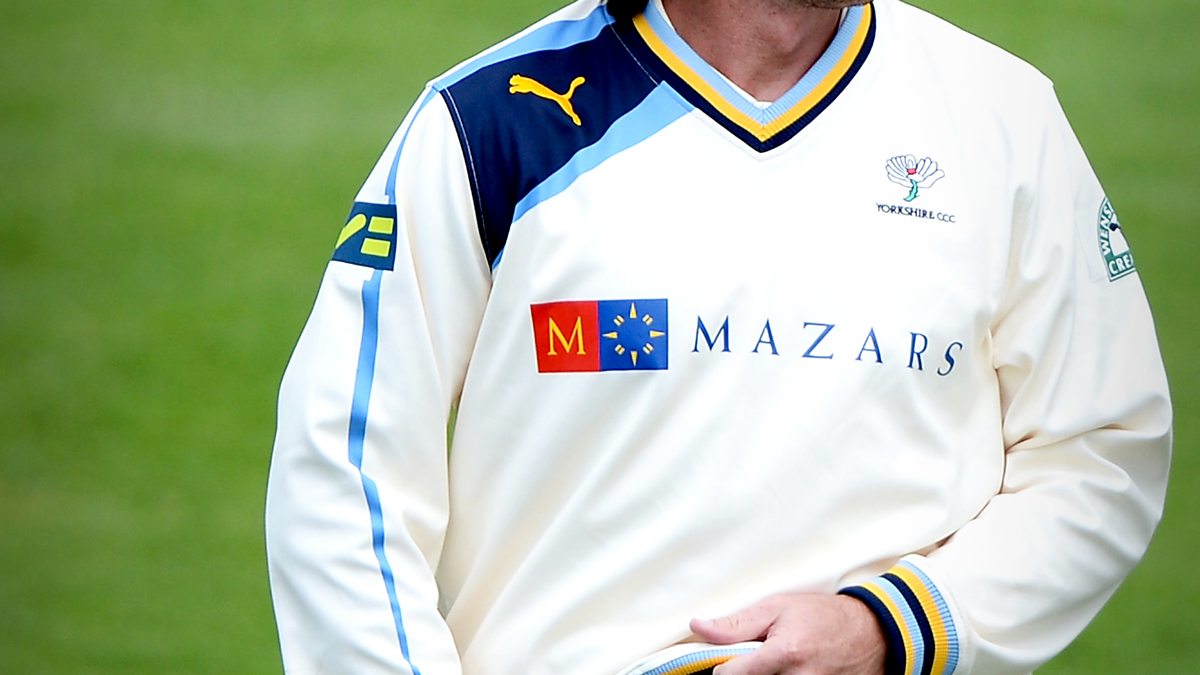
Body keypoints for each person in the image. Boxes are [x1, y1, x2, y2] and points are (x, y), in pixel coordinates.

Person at [264, 0, 1172, 672]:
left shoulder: (1003, 121)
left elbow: (1101, 446)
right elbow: (344, 465)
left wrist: (890, 627)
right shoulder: (488, 123)